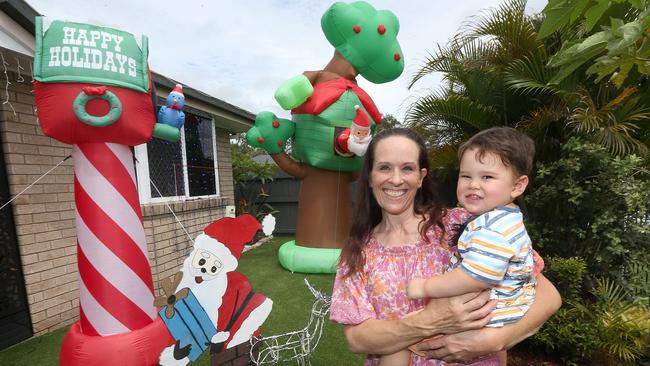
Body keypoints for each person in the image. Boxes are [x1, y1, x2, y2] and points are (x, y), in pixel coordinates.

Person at [330, 128, 561, 366]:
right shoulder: (358, 253)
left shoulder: (464, 224)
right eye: (384, 167)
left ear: (421, 177)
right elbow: (357, 339)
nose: (396, 179)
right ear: (369, 177)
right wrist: (430, 321)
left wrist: (494, 340)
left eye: (407, 168)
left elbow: (548, 295)